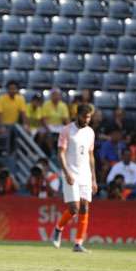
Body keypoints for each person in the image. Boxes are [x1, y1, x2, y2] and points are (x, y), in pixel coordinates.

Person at [51, 104, 97, 253]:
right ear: (77, 115)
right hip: (70, 172)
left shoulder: (90, 132)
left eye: (89, 117)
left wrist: (94, 179)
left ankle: (78, 243)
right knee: (74, 208)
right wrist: (66, 172)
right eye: (85, 116)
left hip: (85, 174)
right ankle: (58, 228)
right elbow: (61, 153)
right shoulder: (67, 130)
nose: (87, 119)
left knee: (85, 207)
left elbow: (91, 155)